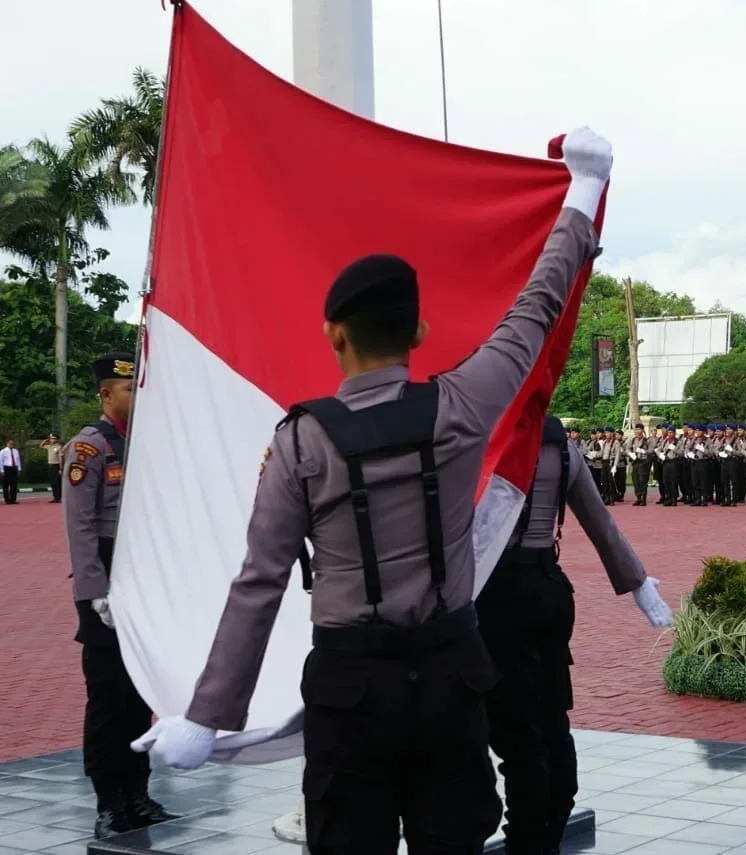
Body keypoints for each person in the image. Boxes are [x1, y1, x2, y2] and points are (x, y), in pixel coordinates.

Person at [132, 127, 615, 854]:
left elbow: (259, 582)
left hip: (350, 692)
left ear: (333, 333)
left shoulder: (303, 440)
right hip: (453, 682)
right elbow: (537, 308)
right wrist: (583, 188)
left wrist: (208, 716)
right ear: (418, 328)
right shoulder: (462, 406)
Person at [477, 415, 671, 854]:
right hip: (549, 587)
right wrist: (637, 581)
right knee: (552, 718)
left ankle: (528, 839)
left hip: (497, 594)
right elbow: (600, 523)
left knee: (516, 730)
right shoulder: (560, 445)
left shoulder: (483, 437)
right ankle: (552, 822)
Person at [63, 354, 178, 838]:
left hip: (143, 582)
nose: (137, 397)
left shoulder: (147, 445)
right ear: (107, 394)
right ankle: (108, 801)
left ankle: (138, 793)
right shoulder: (89, 449)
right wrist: (95, 592)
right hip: (105, 584)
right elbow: (81, 527)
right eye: (128, 390)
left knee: (139, 697)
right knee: (107, 699)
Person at [40, 433, 63, 502]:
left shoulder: (59, 447)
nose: (52, 440)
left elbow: (60, 458)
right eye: (51, 438)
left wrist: (60, 468)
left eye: (54, 438)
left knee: (57, 482)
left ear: (56, 439)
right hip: (50, 465)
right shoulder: (49, 446)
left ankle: (59, 497)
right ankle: (55, 497)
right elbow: (41, 445)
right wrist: (46, 440)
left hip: (56, 465)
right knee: (52, 482)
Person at [1, 439, 20, 504]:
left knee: (14, 485)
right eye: (10, 443)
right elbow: (0, 461)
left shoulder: (16, 451)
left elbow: (18, 460)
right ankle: (7, 500)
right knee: (6, 485)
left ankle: (13, 500)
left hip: (14, 468)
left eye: (13, 443)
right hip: (6, 468)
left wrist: (19, 469)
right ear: (7, 443)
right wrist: (2, 470)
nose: (12, 445)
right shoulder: (3, 451)